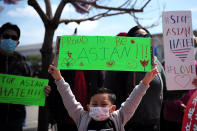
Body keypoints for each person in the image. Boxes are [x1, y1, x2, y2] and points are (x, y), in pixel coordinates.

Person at [47, 63, 158, 131]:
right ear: (88, 107)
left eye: (104, 104)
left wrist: (145, 81)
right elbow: (68, 98)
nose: (99, 107)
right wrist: (58, 78)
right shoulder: (81, 118)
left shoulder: (119, 118)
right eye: (94, 104)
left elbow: (133, 99)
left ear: (113, 108)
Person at [104, 26, 165, 131]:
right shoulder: (119, 64)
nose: (143, 39)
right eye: (138, 36)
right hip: (127, 125)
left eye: (147, 36)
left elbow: (169, 93)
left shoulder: (156, 62)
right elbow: (109, 95)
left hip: (154, 125)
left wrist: (187, 85)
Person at [0, 22, 32, 131]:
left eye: (14, 38)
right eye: (6, 36)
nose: (10, 40)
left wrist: (43, 90)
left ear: (17, 43)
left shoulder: (21, 61)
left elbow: (30, 84)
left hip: (16, 120)